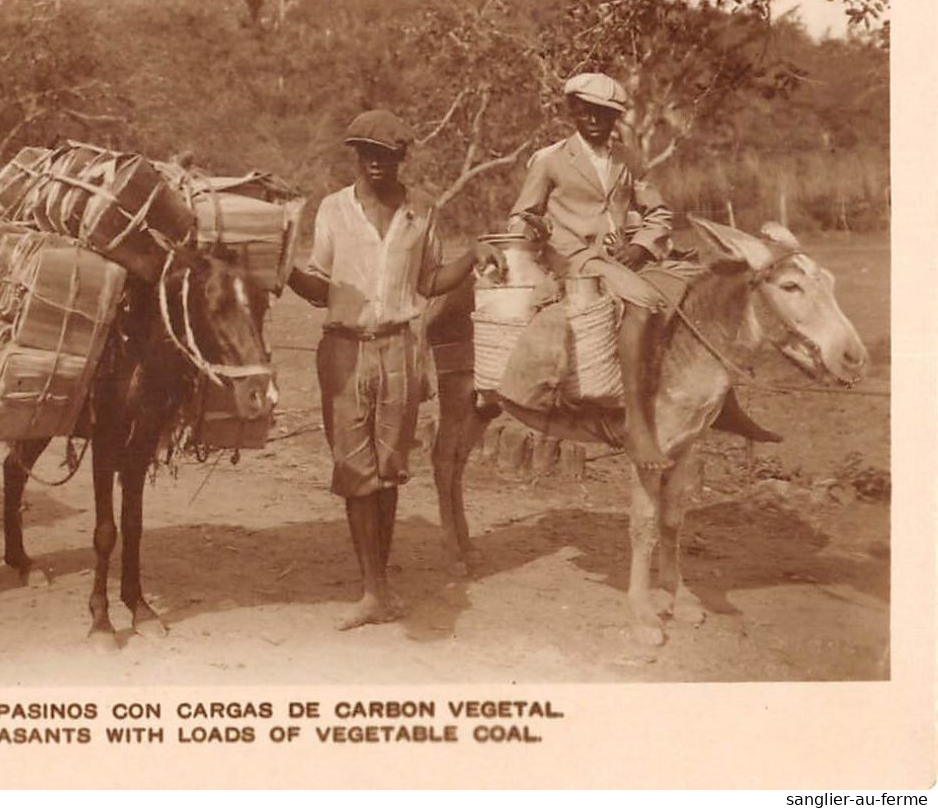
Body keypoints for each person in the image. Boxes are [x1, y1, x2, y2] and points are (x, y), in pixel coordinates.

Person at [287, 109, 499, 630]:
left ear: (402, 157)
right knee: (356, 471)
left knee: (390, 470)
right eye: (367, 153)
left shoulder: (420, 212)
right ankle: (373, 591)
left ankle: (379, 582)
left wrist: (473, 254)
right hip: (345, 348)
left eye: (387, 154)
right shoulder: (334, 210)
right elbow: (320, 287)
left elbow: (428, 282)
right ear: (355, 156)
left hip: (401, 350)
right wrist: (283, 271)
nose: (376, 163)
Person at [507, 72, 777, 473]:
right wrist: (536, 241)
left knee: (693, 290)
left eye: (606, 113)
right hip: (574, 260)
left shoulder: (626, 160)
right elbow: (522, 215)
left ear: (615, 117)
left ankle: (725, 405)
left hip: (624, 257)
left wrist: (641, 245)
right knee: (644, 302)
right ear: (573, 112)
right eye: (587, 111)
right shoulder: (550, 161)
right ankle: (636, 423)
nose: (596, 119)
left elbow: (659, 212)